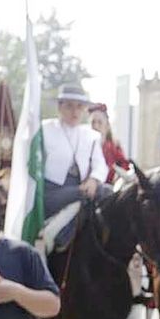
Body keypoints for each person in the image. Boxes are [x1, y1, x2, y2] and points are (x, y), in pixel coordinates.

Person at [41, 82, 107, 225]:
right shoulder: (45, 130)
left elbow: (100, 165)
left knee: (108, 192)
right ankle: (57, 237)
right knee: (82, 195)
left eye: (79, 107)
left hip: (83, 185)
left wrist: (93, 180)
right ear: (60, 107)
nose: (75, 112)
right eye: (69, 106)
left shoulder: (91, 136)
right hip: (54, 191)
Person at [89, 104, 131, 182]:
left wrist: (117, 175)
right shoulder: (85, 145)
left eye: (100, 122)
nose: (96, 126)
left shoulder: (113, 146)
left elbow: (124, 164)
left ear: (107, 125)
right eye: (93, 122)